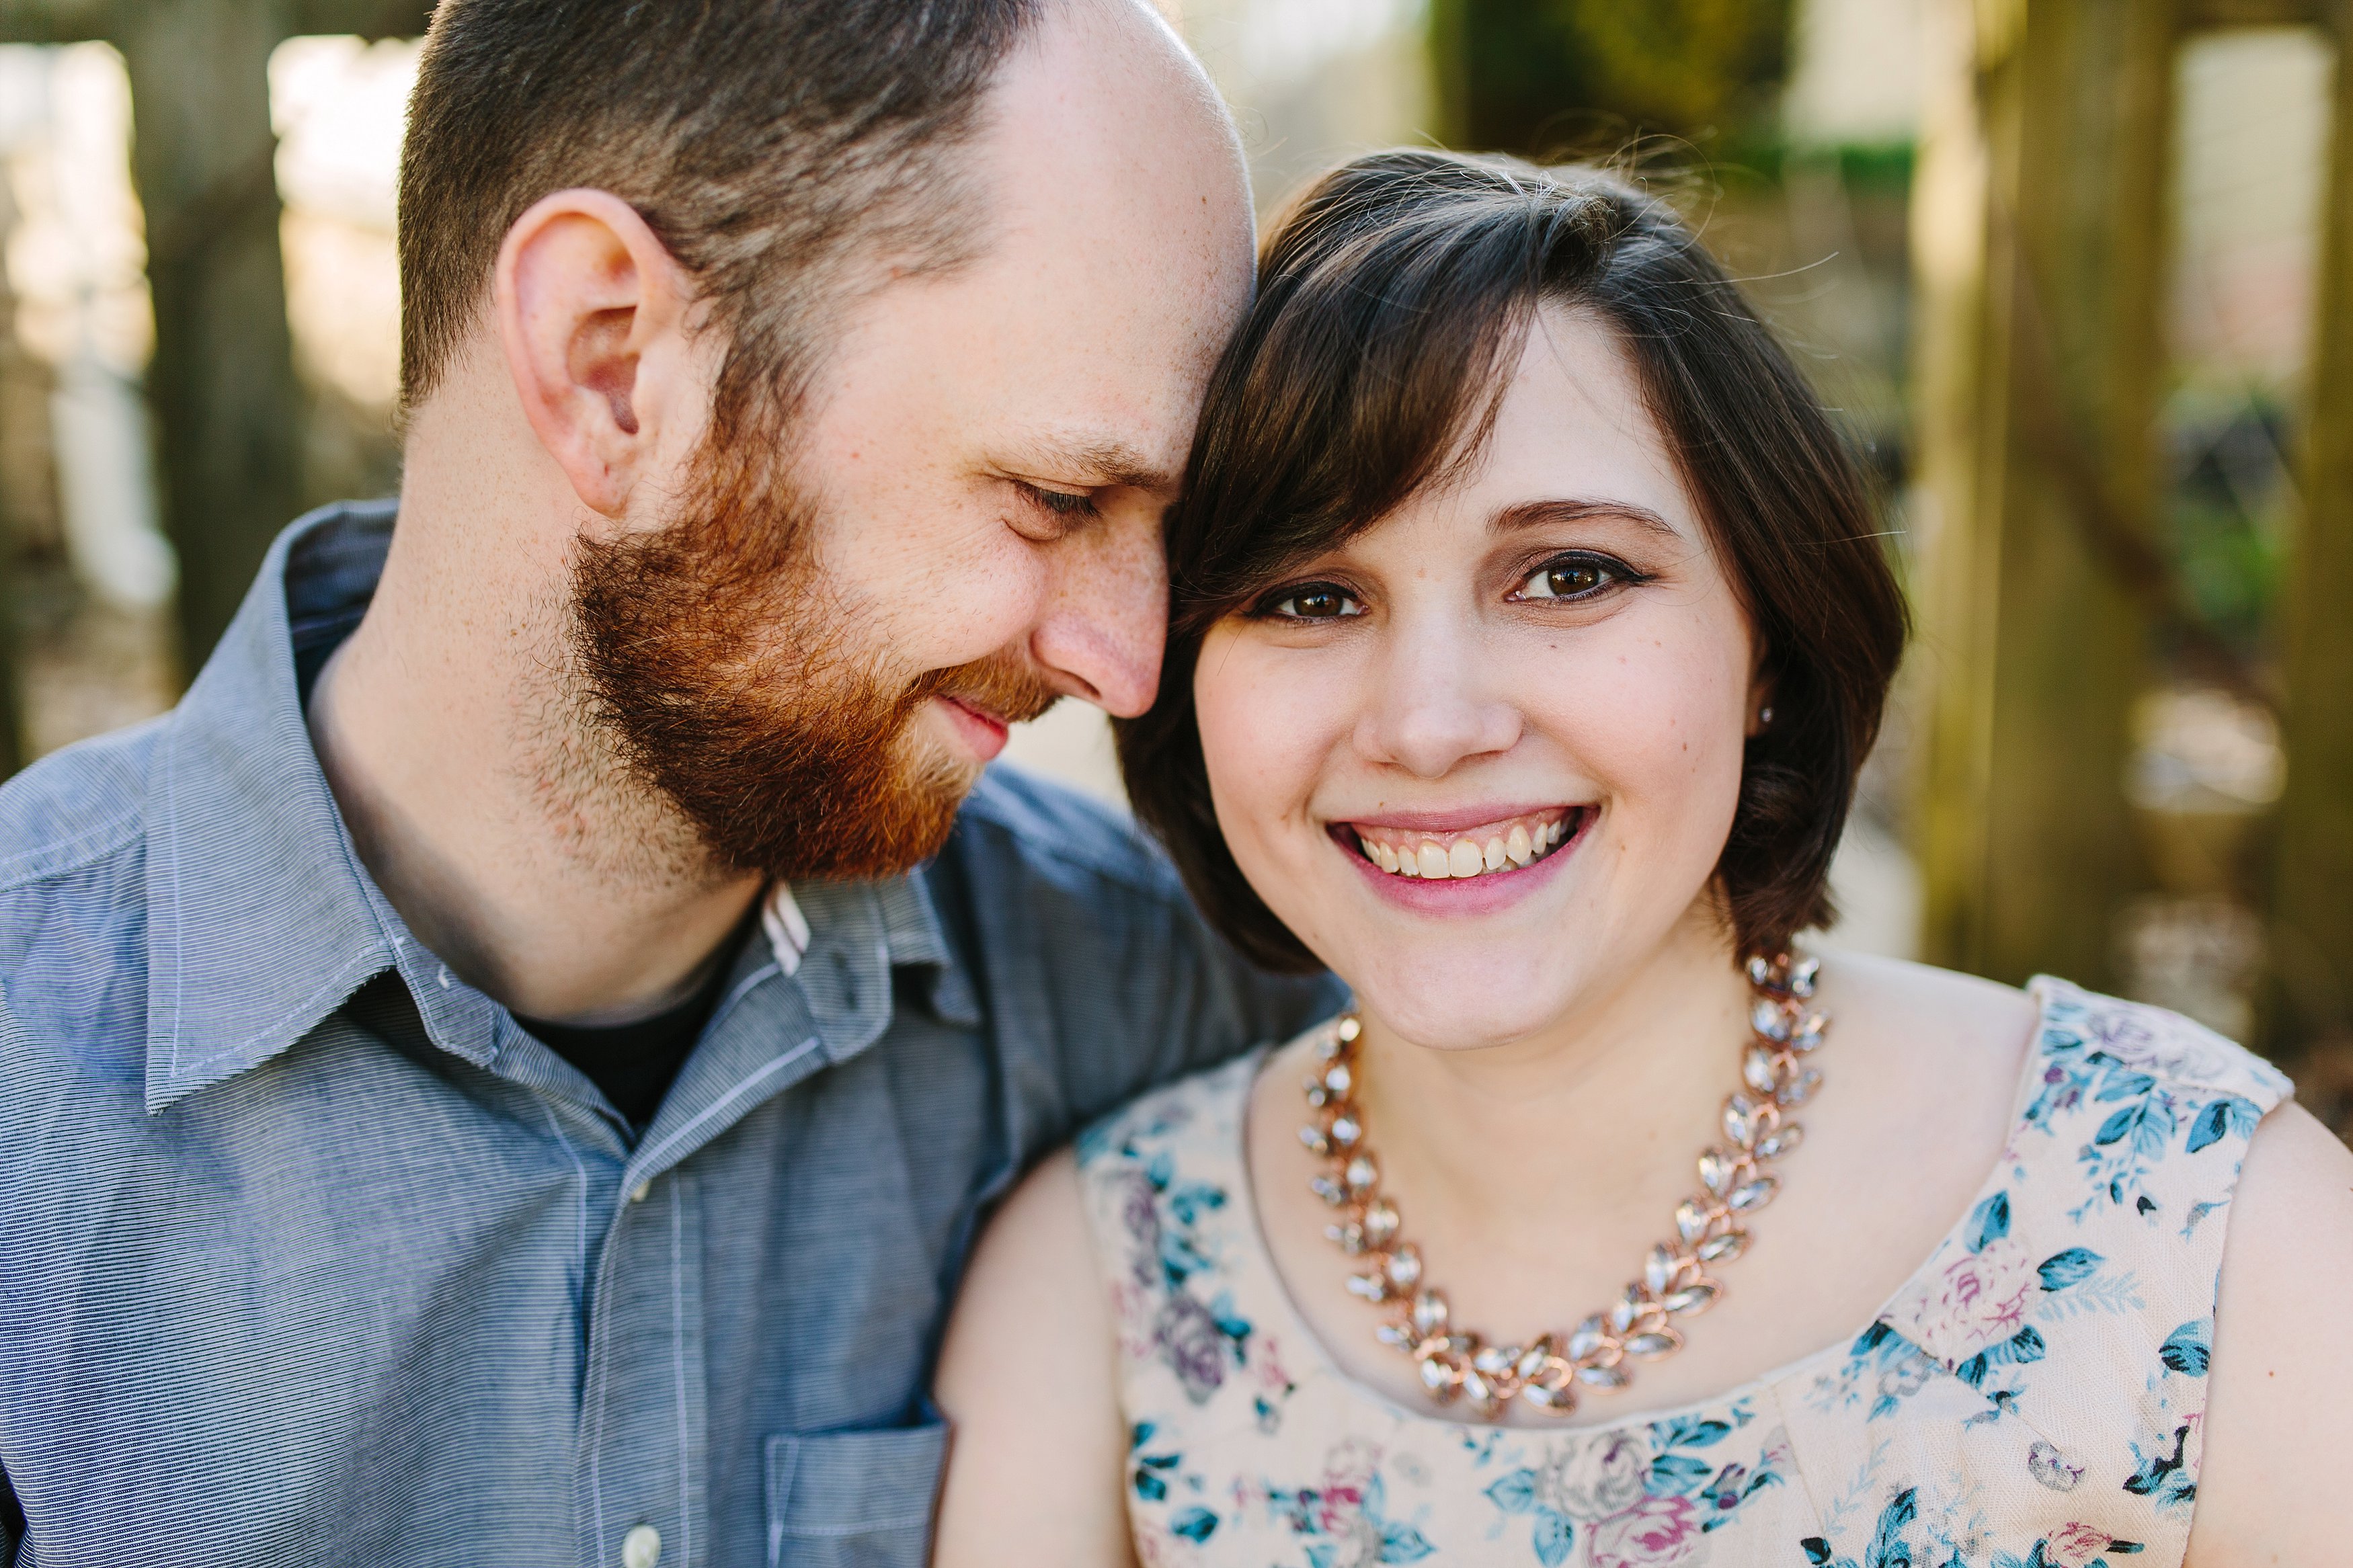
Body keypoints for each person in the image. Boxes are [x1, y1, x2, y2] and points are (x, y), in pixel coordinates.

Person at [0, 3, 1341, 1564]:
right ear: (612, 365)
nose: (1127, 662)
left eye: (1168, 530)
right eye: (1055, 498)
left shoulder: (1154, 999)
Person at [932, 151, 2353, 1567]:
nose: (1429, 726)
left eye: (1569, 575)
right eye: (1309, 596)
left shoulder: (2207, 1239)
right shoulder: (1102, 1292)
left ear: (1768, 651)